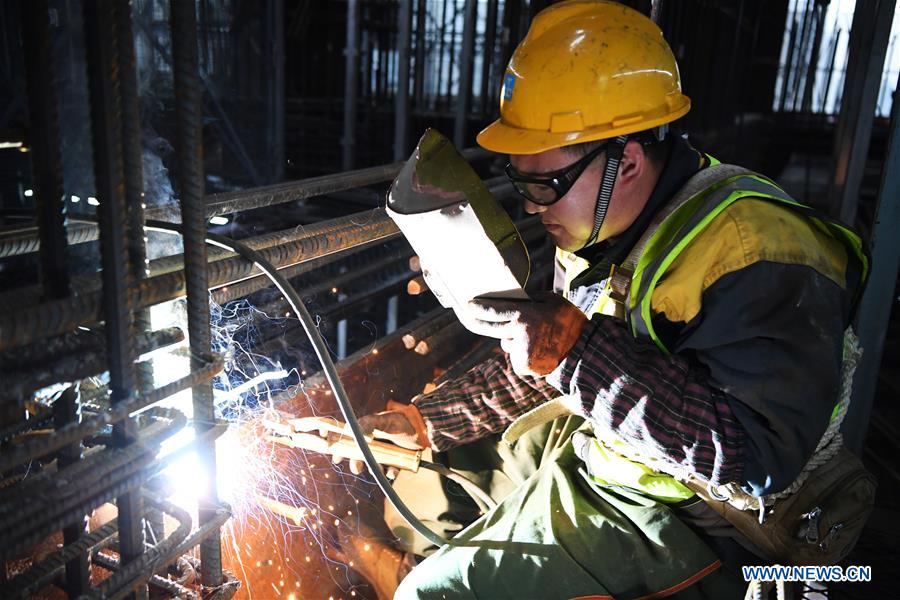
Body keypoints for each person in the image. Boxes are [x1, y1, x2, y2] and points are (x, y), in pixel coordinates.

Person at [346, 1, 869, 597]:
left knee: (430, 593)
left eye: (545, 184)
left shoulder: (758, 251)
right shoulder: (608, 223)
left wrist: (575, 355)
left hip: (702, 519)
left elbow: (753, 457)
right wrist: (426, 423)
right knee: (415, 504)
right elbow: (552, 357)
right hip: (615, 445)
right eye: (522, 181)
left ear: (629, 161)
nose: (530, 206)